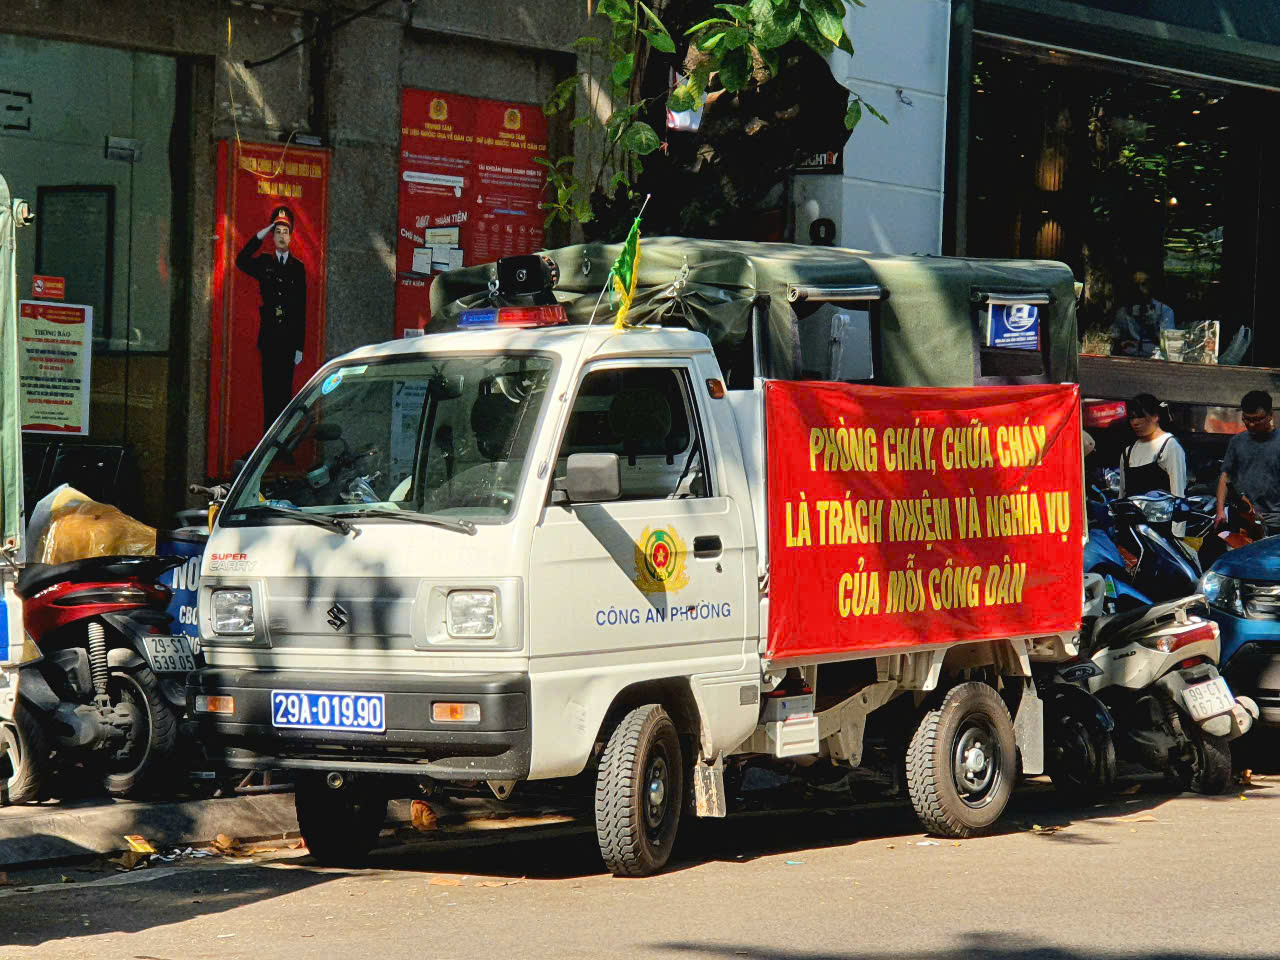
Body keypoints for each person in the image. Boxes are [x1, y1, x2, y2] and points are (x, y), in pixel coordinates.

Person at [235, 205, 307, 432]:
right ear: (272, 236)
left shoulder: (298, 268)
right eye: (277, 232)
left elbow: (300, 308)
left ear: (291, 235)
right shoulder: (264, 263)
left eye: (285, 232)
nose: (281, 236)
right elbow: (241, 260)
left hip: (287, 339)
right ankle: (268, 442)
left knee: (284, 393)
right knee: (269, 392)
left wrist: (299, 346)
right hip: (268, 338)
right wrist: (260, 234)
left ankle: (282, 442)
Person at [1218, 390, 1280, 535]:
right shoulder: (1237, 442)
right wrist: (1220, 511)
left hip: (1275, 521)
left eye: (1257, 420)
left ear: (1270, 415)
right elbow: (1226, 477)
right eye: (1247, 419)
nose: (1251, 424)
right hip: (1243, 519)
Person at [1120, 394, 1186, 513]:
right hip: (1131, 524)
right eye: (1131, 418)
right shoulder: (1128, 451)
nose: (1135, 422)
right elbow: (1122, 494)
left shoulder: (1169, 446)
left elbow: (1178, 495)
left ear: (1155, 416)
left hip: (1160, 524)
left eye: (1141, 417)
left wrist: (1176, 531)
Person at [1111, 270, 1175, 358]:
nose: (1139, 289)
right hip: (1129, 357)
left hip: (1155, 358)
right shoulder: (1123, 312)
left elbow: (1169, 342)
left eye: (1143, 284)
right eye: (1136, 285)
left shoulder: (1164, 311)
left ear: (1151, 285)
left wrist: (1153, 327)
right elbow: (1116, 338)